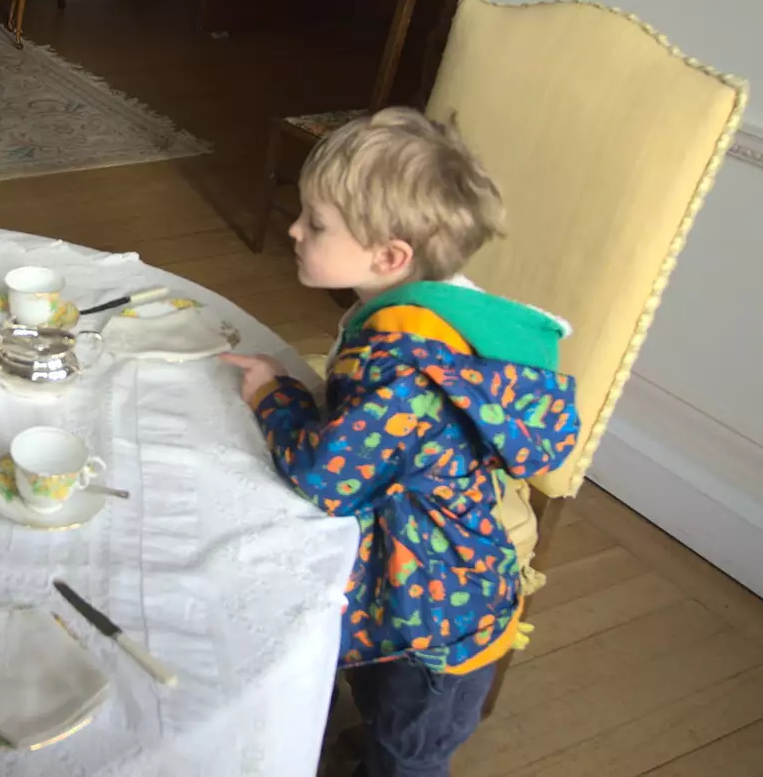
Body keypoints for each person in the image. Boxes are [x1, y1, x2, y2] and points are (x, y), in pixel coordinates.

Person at [221, 108, 580, 777]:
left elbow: (324, 478)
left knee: (406, 755)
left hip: (437, 630)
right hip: (419, 593)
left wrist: (276, 396)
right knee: (388, 723)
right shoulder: (435, 307)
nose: (294, 229)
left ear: (389, 257)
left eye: (315, 223)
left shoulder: (406, 366)